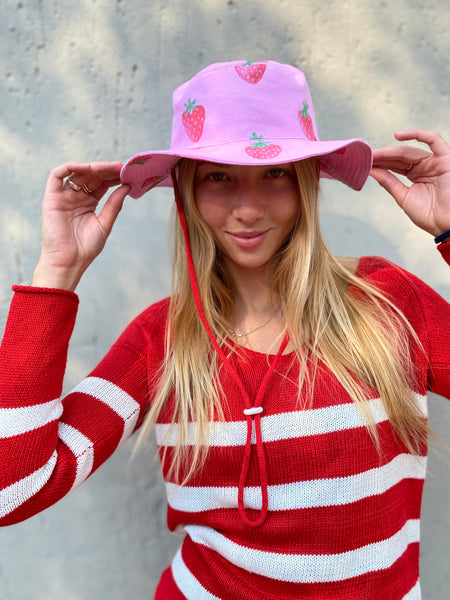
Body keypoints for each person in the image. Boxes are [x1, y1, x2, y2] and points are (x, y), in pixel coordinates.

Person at [0, 60, 449, 599]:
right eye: (218, 176)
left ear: (306, 182)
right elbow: (12, 489)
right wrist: (57, 272)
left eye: (275, 173)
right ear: (186, 189)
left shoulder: (388, 301)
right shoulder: (159, 341)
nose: (248, 207)